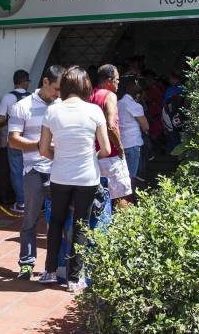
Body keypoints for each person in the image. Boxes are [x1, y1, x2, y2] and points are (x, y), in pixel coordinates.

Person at [38, 67, 112, 292]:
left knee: (56, 223)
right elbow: (107, 149)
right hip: (87, 177)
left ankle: (50, 271)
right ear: (85, 86)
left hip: (60, 175)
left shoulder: (52, 111)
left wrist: (58, 157)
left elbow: (43, 149)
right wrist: (91, 157)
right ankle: (74, 279)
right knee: (81, 225)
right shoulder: (94, 111)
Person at [8, 65, 64, 280]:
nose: (58, 94)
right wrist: (40, 145)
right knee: (30, 220)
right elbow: (13, 140)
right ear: (45, 82)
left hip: (59, 170)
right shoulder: (22, 106)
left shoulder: (62, 106)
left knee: (58, 221)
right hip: (33, 170)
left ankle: (56, 266)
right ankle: (26, 264)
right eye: (56, 89)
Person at [89, 65, 131, 205]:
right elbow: (111, 126)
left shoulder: (89, 95)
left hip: (94, 155)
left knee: (99, 198)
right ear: (109, 81)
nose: (118, 83)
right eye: (117, 80)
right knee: (120, 196)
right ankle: (125, 227)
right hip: (111, 155)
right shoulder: (110, 96)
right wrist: (120, 147)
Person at [0, 70, 31, 213]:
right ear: (24, 81)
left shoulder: (8, 97)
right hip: (31, 139)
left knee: (16, 170)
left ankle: (22, 203)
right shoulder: (32, 97)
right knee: (30, 170)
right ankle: (34, 202)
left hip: (15, 138)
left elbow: (0, 119)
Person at [118, 77, 150, 182]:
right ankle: (129, 197)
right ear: (137, 94)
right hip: (133, 143)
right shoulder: (135, 106)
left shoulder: (118, 103)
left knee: (122, 175)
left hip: (121, 143)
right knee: (131, 176)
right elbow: (145, 126)